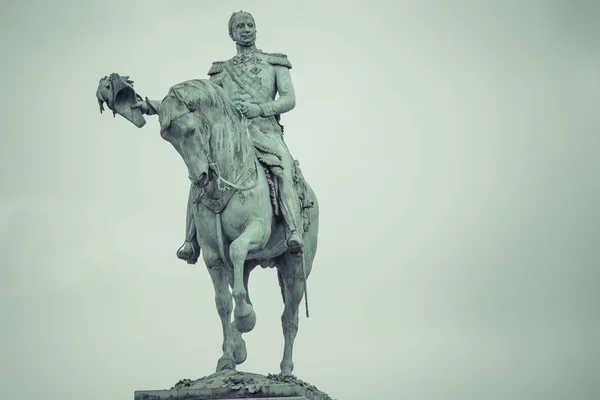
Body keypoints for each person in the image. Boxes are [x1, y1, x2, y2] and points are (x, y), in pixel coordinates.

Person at [137, 11, 304, 263]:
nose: (246, 29)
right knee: (199, 176)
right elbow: (195, 102)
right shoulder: (220, 72)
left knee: (283, 167)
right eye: (240, 26)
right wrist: (150, 105)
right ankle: (190, 240)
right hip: (230, 139)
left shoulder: (275, 62)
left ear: (256, 30)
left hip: (265, 131)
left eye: (250, 25)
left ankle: (292, 228)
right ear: (232, 34)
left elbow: (289, 99)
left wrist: (260, 109)